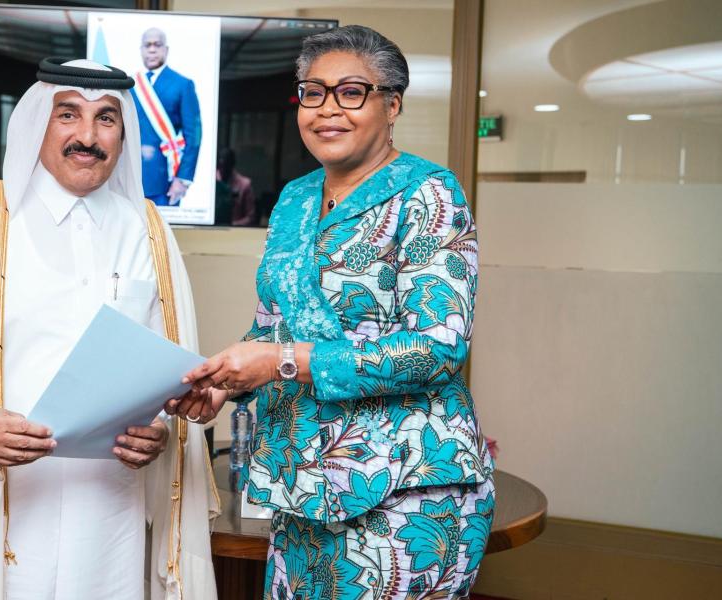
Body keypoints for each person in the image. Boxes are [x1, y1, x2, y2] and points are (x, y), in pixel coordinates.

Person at [167, 26, 496, 599]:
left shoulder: (429, 194)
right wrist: (224, 383)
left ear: (392, 105)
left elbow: (437, 349)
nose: (327, 110)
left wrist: (279, 362)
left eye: (351, 92)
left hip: (404, 488)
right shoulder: (294, 199)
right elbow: (275, 324)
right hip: (302, 482)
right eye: (313, 93)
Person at [0, 58, 219, 600]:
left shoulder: (148, 232)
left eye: (106, 118)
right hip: (8, 494)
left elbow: (172, 362)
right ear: (37, 123)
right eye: (68, 114)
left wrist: (162, 426)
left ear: (123, 134)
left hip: (112, 503)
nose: (87, 136)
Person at [132, 27, 202, 206]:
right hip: (130, 177)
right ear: (141, 49)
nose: (152, 50)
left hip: (166, 180)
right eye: (147, 45)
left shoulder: (183, 84)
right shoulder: (131, 85)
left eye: (157, 45)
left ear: (166, 49)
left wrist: (183, 179)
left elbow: (194, 136)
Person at [216, 148, 257, 226]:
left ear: (232, 165)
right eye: (221, 166)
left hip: (235, 229)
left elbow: (250, 217)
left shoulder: (245, 185)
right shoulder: (210, 181)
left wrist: (232, 225)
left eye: (226, 166)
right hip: (212, 229)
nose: (223, 170)